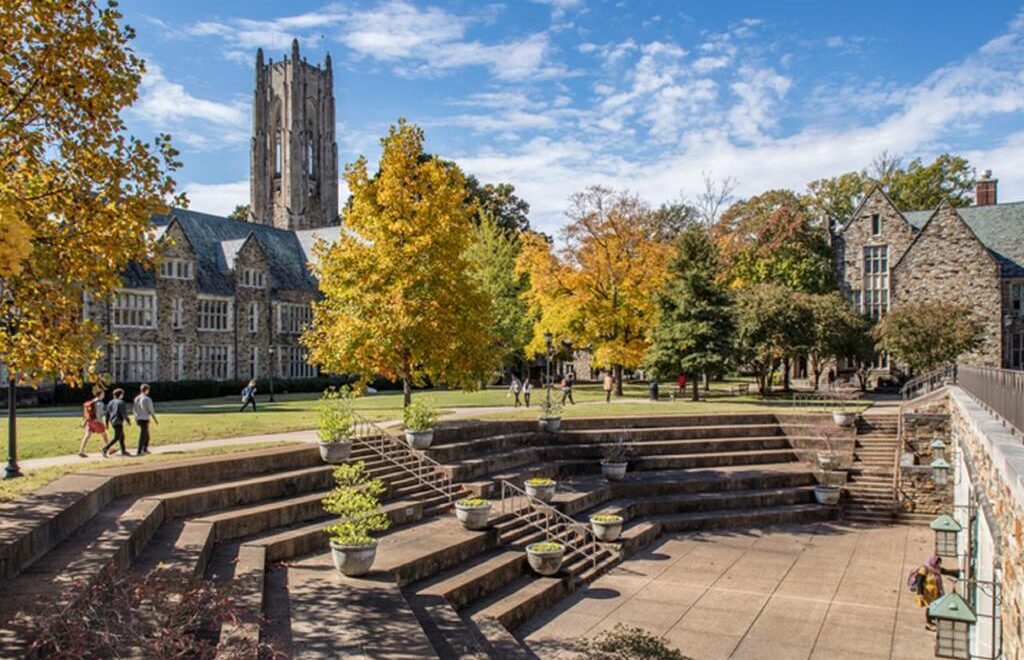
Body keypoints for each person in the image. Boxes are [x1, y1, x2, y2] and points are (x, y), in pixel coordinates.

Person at [913, 555, 960, 630]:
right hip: (927, 592)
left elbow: (946, 571)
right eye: (937, 563)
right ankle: (929, 623)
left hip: (936, 591)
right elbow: (919, 581)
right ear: (933, 562)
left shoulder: (936, 568)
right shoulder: (924, 569)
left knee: (936, 605)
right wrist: (920, 593)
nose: (938, 565)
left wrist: (958, 572)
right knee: (931, 606)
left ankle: (932, 620)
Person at [77, 387, 109, 458]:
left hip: (90, 422)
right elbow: (99, 416)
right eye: (103, 394)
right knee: (105, 436)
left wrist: (84, 423)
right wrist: (103, 424)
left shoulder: (91, 401)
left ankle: (81, 451)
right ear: (100, 395)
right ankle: (109, 449)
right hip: (97, 422)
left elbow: (87, 414)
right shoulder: (100, 403)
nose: (104, 395)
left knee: (87, 436)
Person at [102, 388, 132, 457]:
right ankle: (105, 448)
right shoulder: (121, 402)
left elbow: (107, 414)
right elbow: (123, 413)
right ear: (120, 395)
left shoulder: (110, 402)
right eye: (122, 394)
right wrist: (128, 421)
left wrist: (107, 423)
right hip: (118, 421)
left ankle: (123, 450)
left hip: (112, 421)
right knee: (117, 437)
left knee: (121, 436)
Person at [133, 384, 158, 455]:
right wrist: (155, 419)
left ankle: (144, 448)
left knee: (146, 435)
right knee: (143, 435)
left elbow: (134, 409)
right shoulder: (147, 399)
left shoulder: (136, 398)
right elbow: (151, 410)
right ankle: (140, 450)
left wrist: (135, 418)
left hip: (138, 418)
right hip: (144, 418)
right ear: (146, 390)